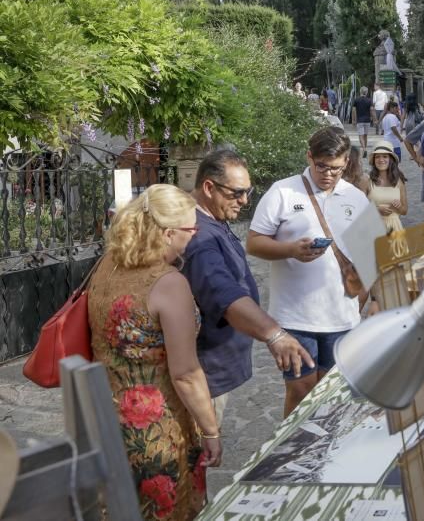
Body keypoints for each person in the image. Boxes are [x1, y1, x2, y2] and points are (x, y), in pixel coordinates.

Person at [88, 185, 221, 520]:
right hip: (156, 432)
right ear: (168, 233)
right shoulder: (169, 284)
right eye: (192, 229)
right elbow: (186, 373)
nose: (195, 237)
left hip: (104, 419)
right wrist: (210, 430)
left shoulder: (107, 267)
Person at [184, 150, 313, 425]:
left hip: (216, 366)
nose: (244, 200)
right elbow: (223, 294)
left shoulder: (213, 220)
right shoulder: (200, 237)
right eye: (236, 193)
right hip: (206, 370)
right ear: (209, 187)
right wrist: (274, 335)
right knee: (200, 449)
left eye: (248, 192)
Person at [247, 128, 370, 417]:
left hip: (341, 316)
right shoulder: (283, 192)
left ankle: (325, 453)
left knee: (332, 392)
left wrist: (370, 298)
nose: (328, 174)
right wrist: (290, 250)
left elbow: (370, 253)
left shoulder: (355, 197)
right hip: (295, 316)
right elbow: (253, 243)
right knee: (301, 390)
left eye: (337, 169)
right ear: (309, 157)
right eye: (322, 166)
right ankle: (290, 455)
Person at [367, 141, 408, 233]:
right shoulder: (367, 181)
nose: (381, 160)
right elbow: (358, 208)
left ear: (391, 160)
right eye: (377, 157)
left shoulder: (399, 182)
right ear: (374, 160)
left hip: (394, 228)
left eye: (385, 156)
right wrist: (376, 210)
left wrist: (399, 207)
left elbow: (404, 211)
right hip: (373, 227)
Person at [352, 86, 373, 157]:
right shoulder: (369, 100)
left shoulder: (356, 100)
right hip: (367, 120)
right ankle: (365, 148)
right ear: (366, 92)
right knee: (365, 136)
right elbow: (371, 110)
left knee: (361, 136)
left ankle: (364, 149)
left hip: (360, 120)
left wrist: (354, 120)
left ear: (360, 92)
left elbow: (354, 110)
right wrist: (374, 118)